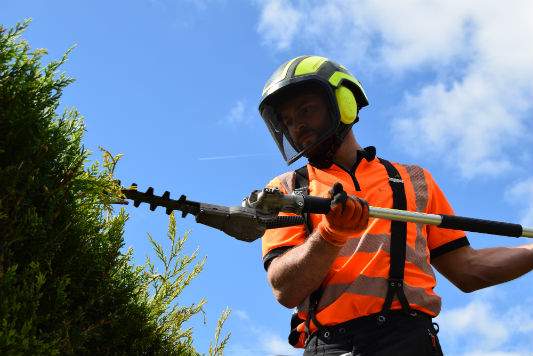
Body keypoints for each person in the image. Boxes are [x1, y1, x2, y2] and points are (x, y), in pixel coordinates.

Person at [258, 55, 533, 355]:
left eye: (306, 110)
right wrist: (330, 234)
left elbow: (468, 270)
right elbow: (285, 289)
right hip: (332, 346)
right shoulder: (285, 191)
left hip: (412, 341)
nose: (296, 125)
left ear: (344, 102)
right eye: (286, 120)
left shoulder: (414, 180)